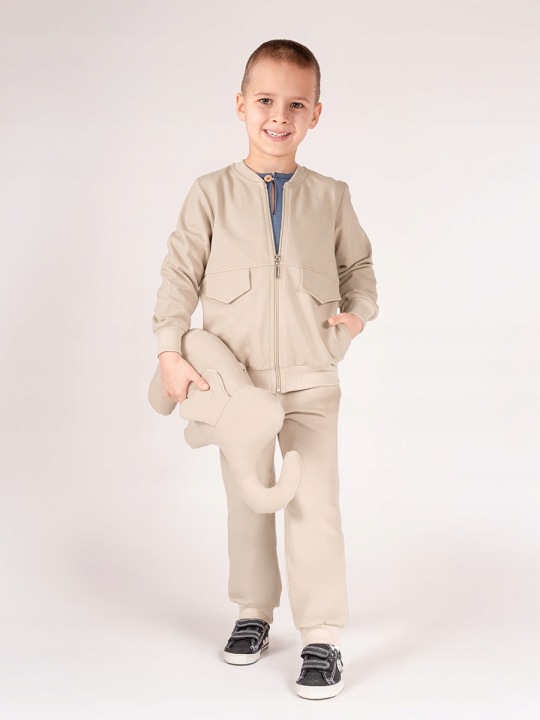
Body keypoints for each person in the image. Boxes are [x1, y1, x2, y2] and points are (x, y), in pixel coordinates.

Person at [152, 39, 378, 699]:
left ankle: (322, 635)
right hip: (237, 387)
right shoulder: (210, 193)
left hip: (311, 378)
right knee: (247, 502)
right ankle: (253, 611)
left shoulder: (331, 196)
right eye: (266, 101)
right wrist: (169, 349)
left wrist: (355, 317)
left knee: (314, 503)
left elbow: (359, 268)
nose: (279, 116)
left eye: (296, 105)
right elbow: (179, 274)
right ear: (241, 105)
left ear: (315, 114)